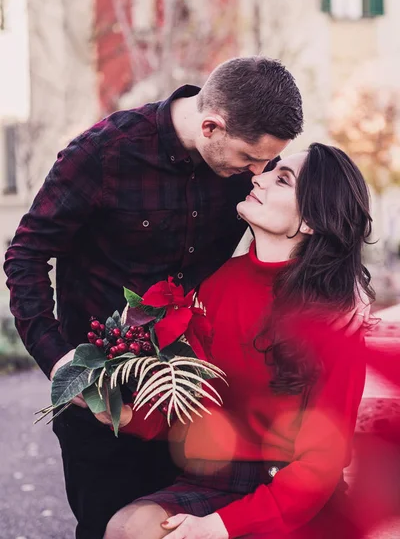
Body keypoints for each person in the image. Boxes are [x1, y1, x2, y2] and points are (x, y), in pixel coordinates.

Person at [4, 57, 306, 539]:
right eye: (251, 158)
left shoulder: (243, 169)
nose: (259, 173)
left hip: (192, 402)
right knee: (106, 527)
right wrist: (59, 361)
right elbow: (25, 256)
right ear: (211, 126)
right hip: (103, 396)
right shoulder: (102, 153)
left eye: (269, 162)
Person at [103, 143, 373, 539]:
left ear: (313, 220)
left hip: (301, 492)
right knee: (127, 528)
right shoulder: (215, 285)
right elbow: (190, 403)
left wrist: (219, 527)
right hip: (215, 476)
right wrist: (127, 415)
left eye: (282, 179)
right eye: (270, 170)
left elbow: (320, 464)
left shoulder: (337, 317)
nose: (259, 178)